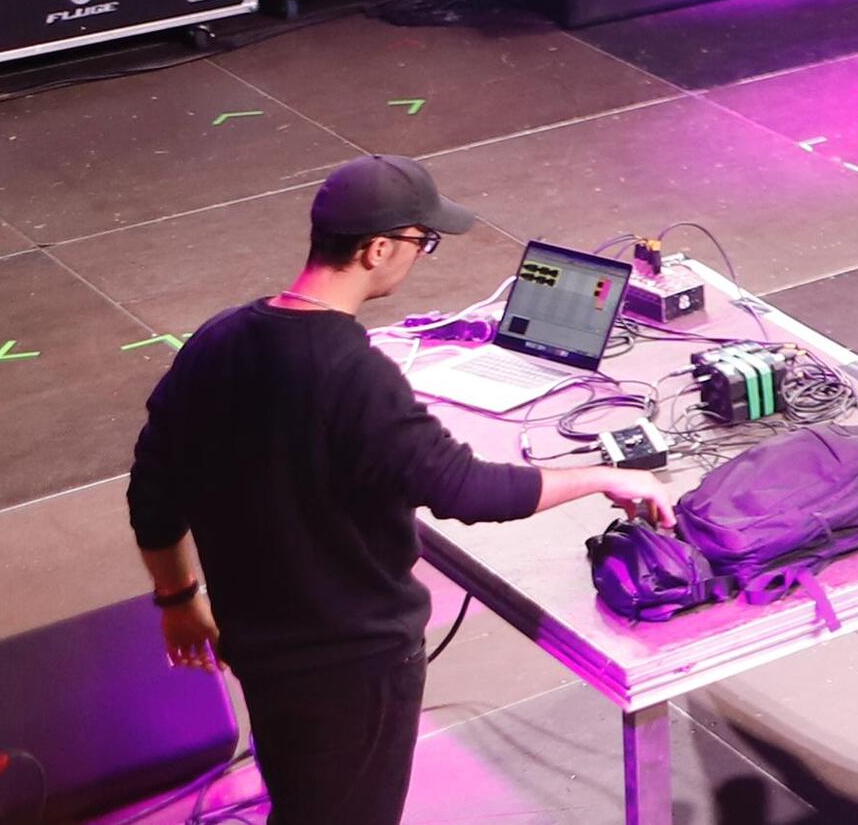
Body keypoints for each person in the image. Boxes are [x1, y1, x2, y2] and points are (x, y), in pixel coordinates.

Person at [127, 156, 676, 825]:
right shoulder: (356, 376)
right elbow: (469, 491)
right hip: (352, 666)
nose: (421, 257)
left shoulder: (217, 341)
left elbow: (152, 488)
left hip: (261, 647)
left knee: (302, 799)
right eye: (423, 242)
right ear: (376, 248)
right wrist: (604, 475)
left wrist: (179, 600)